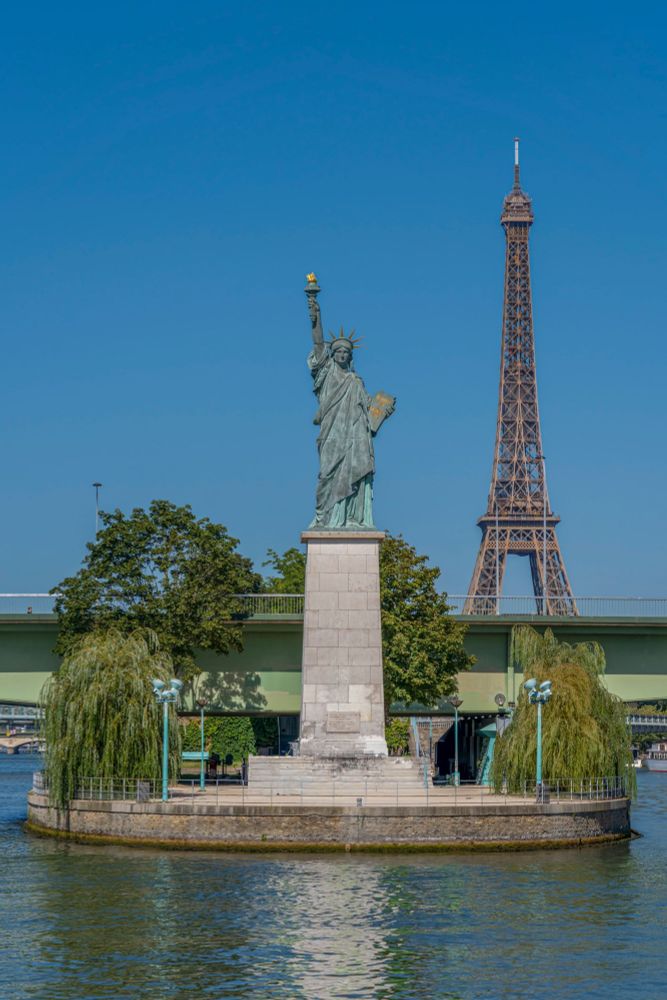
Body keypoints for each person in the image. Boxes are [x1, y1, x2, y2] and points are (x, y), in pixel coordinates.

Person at [305, 274, 395, 528]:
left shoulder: (356, 381)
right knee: (326, 475)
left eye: (347, 352)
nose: (342, 354)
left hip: (354, 437)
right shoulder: (326, 372)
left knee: (355, 471)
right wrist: (314, 306)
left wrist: (383, 409)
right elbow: (316, 339)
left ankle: (350, 518)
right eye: (338, 351)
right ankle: (325, 516)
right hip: (331, 433)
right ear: (332, 355)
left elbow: (369, 409)